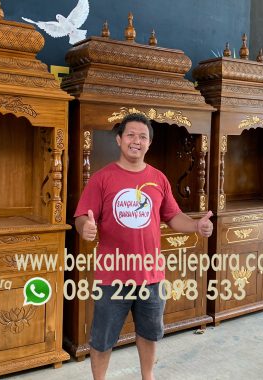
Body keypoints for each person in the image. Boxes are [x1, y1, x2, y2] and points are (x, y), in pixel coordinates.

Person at [74, 113, 213, 380]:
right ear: (119, 139)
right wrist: (85, 228)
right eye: (130, 135)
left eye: (143, 137)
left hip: (151, 275)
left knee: (149, 333)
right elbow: (82, 217)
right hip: (112, 275)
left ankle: (147, 377)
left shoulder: (158, 179)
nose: (136, 141)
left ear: (149, 144)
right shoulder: (102, 179)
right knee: (103, 338)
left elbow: (173, 216)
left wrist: (197, 225)